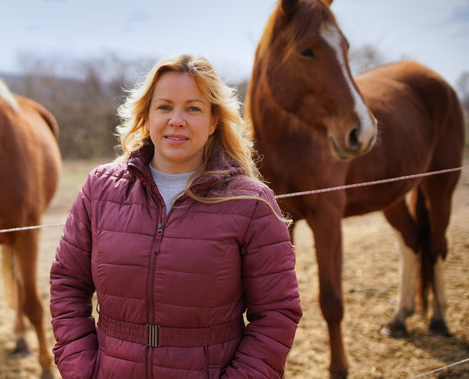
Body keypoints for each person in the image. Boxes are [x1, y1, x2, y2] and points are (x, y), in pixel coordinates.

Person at [50, 54, 301, 378]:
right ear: (147, 115)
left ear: (213, 121)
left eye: (193, 108)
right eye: (165, 106)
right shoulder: (100, 189)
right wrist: (82, 371)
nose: (177, 119)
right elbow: (68, 283)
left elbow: (277, 314)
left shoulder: (250, 203)